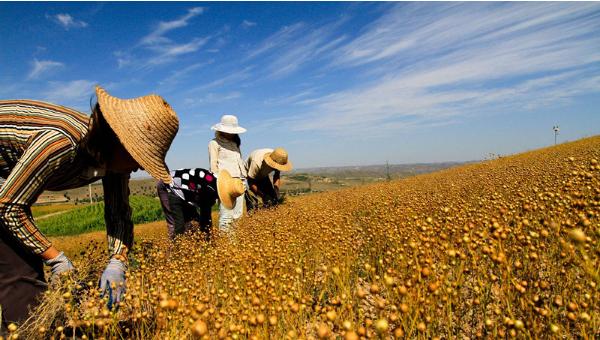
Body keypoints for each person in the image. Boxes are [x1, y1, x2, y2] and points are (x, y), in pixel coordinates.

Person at [0, 86, 179, 323]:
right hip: (7, 195)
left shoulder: (114, 162)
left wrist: (118, 261)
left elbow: (119, 214)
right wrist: (57, 260)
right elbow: (9, 206)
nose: (139, 168)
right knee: (21, 276)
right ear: (119, 141)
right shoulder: (60, 143)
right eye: (139, 157)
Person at [156, 168, 244, 241]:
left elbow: (204, 216)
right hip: (168, 184)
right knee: (177, 225)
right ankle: (174, 254)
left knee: (193, 223)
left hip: (185, 190)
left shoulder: (214, 183)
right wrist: (208, 240)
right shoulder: (209, 189)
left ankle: (188, 246)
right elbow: (205, 216)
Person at [208, 115, 247, 232]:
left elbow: (239, 161)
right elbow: (213, 165)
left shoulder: (235, 143)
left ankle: (233, 244)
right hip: (225, 183)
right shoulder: (214, 143)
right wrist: (218, 183)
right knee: (226, 216)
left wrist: (244, 178)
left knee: (238, 216)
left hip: (239, 182)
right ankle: (225, 245)